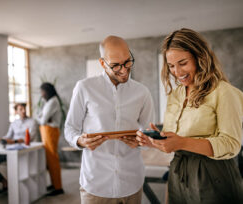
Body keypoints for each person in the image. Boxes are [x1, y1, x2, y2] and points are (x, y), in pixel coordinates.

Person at [136, 28, 243, 203]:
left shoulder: (224, 92)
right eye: (171, 66)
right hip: (179, 173)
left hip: (213, 175)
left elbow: (231, 144)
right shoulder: (175, 94)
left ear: (200, 58)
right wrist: (155, 142)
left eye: (183, 63)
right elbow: (175, 138)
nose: (177, 72)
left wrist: (182, 142)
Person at [65, 36, 154, 204]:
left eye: (128, 62)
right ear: (102, 63)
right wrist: (80, 141)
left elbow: (148, 131)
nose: (124, 69)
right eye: (115, 65)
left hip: (132, 181)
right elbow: (70, 128)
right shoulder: (84, 88)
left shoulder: (142, 92)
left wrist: (142, 141)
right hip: (96, 183)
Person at [0, 103, 37, 194]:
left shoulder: (32, 122)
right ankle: (4, 182)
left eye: (24, 108)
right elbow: (8, 136)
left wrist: (14, 141)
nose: (23, 111)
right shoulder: (14, 123)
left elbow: (30, 138)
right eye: (20, 109)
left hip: (23, 151)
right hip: (11, 150)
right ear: (16, 111)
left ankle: (15, 189)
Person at [36, 82, 65, 196]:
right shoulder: (49, 101)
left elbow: (41, 120)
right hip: (47, 131)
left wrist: (42, 118)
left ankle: (58, 187)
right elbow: (41, 116)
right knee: (50, 159)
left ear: (47, 91)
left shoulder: (53, 101)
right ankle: (54, 184)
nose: (41, 94)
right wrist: (43, 118)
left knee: (52, 159)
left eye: (42, 91)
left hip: (50, 132)